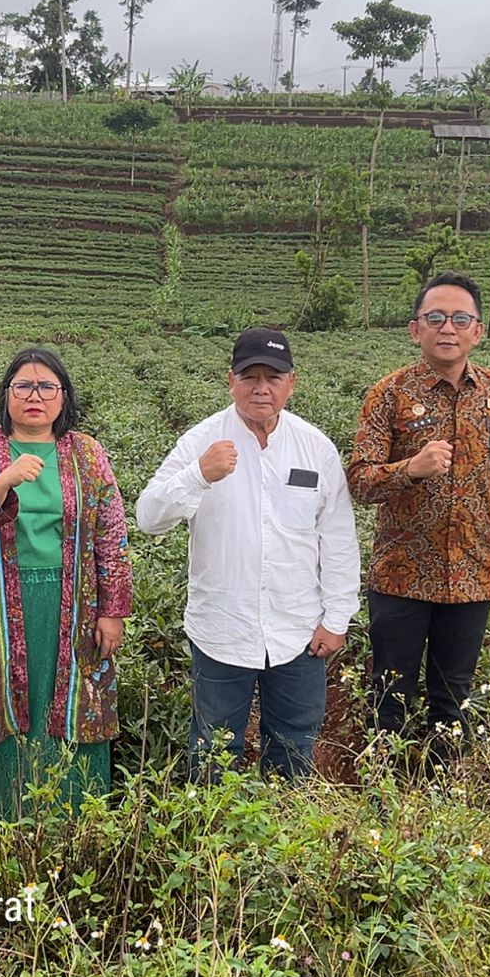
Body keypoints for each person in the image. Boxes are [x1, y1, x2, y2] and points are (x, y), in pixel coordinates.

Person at [136, 327, 360, 780]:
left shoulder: (315, 448)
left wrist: (337, 618)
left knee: (295, 745)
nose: (262, 387)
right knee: (215, 749)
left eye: (273, 377)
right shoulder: (201, 442)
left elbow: (337, 538)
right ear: (230, 380)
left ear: (291, 383)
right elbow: (148, 517)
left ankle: (284, 829)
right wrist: (198, 475)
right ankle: (214, 839)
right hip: (221, 631)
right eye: (250, 376)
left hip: (298, 632)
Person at [0, 348, 132, 817]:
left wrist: (113, 611)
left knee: (66, 701)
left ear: (63, 398)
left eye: (47, 387)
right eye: (23, 386)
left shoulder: (87, 452)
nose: (35, 396)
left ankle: (70, 812)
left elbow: (112, 531)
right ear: (6, 395)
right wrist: (3, 480)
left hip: (73, 603)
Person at [347, 272, 490, 762]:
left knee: (454, 699)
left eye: (460, 318)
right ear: (415, 329)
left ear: (477, 330)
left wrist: (476, 522)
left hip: (471, 575)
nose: (448, 327)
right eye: (436, 317)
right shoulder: (389, 394)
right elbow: (359, 479)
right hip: (401, 576)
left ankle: (443, 797)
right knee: (389, 694)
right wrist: (412, 469)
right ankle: (384, 795)